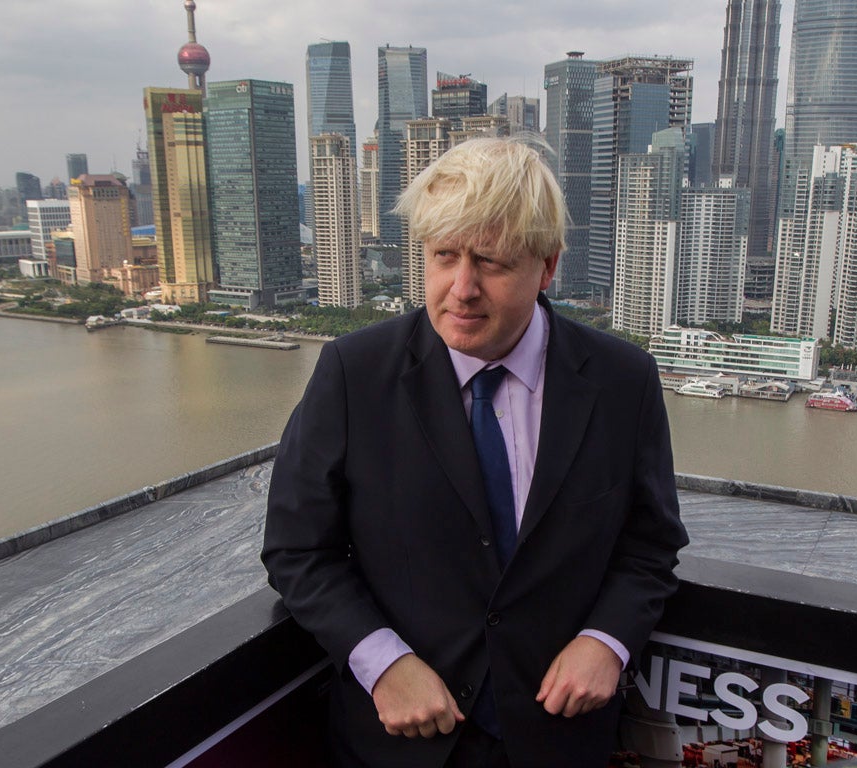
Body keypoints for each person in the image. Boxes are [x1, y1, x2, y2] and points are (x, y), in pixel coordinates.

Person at [261, 136, 688, 768]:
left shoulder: (623, 382)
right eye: (443, 257)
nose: (461, 288)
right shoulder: (354, 374)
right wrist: (383, 662)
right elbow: (297, 549)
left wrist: (606, 641)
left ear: (548, 266)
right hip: (400, 742)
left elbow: (650, 544)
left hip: (558, 738)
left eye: (490, 262)